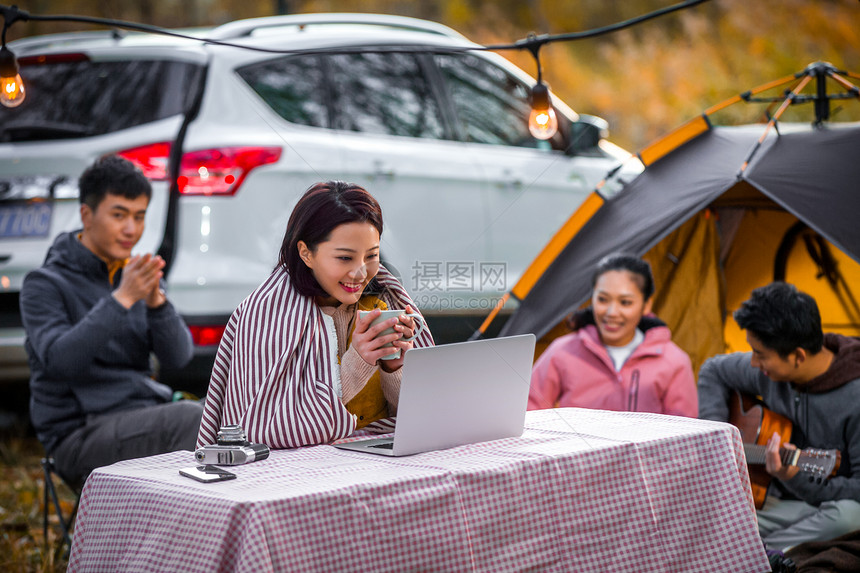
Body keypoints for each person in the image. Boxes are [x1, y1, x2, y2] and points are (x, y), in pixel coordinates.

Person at [197, 181, 434, 449]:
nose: (360, 273)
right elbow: (264, 431)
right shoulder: (267, 314)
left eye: (371, 256)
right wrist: (358, 362)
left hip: (375, 460)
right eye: (345, 258)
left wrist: (396, 367)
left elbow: (422, 417)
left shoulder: (383, 299)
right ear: (306, 253)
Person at [20, 155, 203, 488]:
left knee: (232, 414)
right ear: (87, 216)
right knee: (192, 419)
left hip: (143, 412)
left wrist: (156, 303)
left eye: (139, 216)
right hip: (79, 433)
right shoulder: (44, 284)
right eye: (119, 215)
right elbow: (61, 361)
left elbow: (179, 357)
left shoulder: (132, 273)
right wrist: (122, 299)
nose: (131, 230)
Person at [698, 282, 860, 551]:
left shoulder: (854, 398)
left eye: (760, 355)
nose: (753, 363)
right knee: (703, 515)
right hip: (774, 502)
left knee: (850, 518)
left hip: (827, 505)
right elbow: (713, 369)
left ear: (798, 356)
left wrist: (796, 478)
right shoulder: (769, 372)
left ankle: (760, 556)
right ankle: (759, 550)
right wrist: (719, 437)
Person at [528, 253, 697, 417]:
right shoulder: (562, 351)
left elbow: (685, 433)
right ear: (592, 298)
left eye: (625, 302)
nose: (612, 312)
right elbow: (529, 412)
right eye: (602, 299)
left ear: (646, 305)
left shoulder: (674, 362)